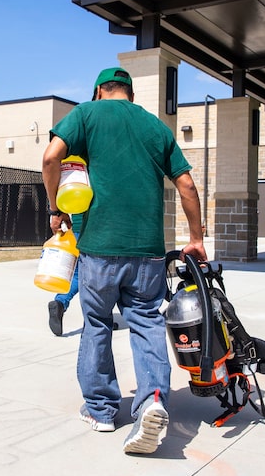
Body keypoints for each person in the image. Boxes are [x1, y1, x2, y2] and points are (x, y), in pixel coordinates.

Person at [42, 66, 207, 455]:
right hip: (147, 250)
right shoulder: (154, 126)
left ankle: (100, 411)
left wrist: (55, 208)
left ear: (99, 90)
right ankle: (151, 401)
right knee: (146, 322)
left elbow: (51, 158)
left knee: (97, 323)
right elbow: (186, 184)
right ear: (130, 94)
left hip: (97, 246)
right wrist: (196, 238)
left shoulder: (86, 113)